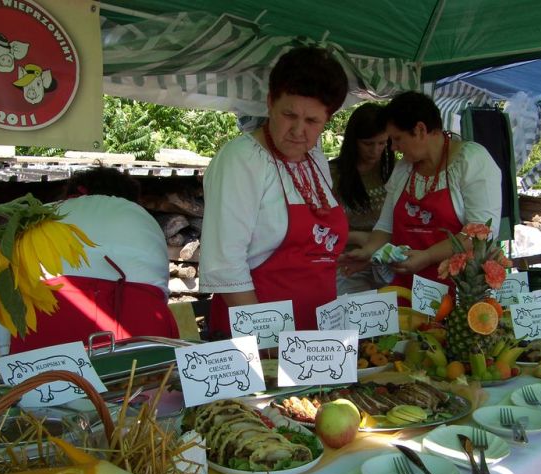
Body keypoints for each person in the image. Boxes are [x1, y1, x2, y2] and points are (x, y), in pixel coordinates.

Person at [199, 47, 349, 337]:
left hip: (317, 336)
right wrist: (267, 341)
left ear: (327, 120)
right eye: (289, 115)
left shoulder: (315, 158)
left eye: (312, 121)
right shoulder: (242, 158)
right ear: (270, 103)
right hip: (258, 339)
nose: (298, 130)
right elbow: (225, 265)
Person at [339, 91, 501, 290]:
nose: (393, 148)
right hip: (404, 288)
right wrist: (369, 251)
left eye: (397, 139)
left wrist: (428, 256)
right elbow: (385, 226)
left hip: (456, 292)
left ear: (420, 130)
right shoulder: (404, 168)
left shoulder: (471, 161)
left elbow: (480, 233)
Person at [8, 166, 178, 353]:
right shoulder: (142, 217)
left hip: (49, 314)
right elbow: (159, 290)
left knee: (44, 380)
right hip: (140, 317)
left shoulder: (43, 214)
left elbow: (8, 288)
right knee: (149, 379)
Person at [330, 103, 396, 294]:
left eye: (382, 143)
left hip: (387, 262)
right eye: (368, 143)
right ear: (353, 141)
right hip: (347, 263)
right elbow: (318, 230)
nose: (375, 150)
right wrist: (357, 237)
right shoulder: (332, 175)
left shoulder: (395, 172)